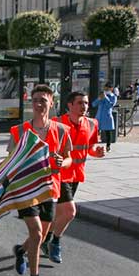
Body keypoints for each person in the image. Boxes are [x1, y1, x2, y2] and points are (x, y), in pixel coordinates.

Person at [8, 84, 72, 276]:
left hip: (50, 189)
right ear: (30, 102)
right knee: (36, 233)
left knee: (42, 235)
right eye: (35, 100)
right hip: (26, 190)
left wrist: (63, 163)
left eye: (43, 100)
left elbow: (69, 157)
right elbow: (10, 160)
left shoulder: (61, 130)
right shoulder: (19, 131)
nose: (38, 104)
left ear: (51, 103)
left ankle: (21, 251)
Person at [42, 91, 106, 263]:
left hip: (77, 175)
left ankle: (46, 239)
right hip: (59, 174)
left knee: (61, 214)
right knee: (70, 212)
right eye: (80, 103)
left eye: (85, 103)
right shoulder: (56, 123)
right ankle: (55, 242)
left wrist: (97, 152)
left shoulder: (92, 124)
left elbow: (91, 147)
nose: (84, 106)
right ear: (70, 105)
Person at [93, 82, 117, 152]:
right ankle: (93, 145)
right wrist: (99, 98)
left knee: (108, 132)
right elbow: (94, 104)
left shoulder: (113, 97)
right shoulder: (101, 95)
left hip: (107, 117)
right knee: (95, 132)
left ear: (111, 89)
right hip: (99, 116)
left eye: (108, 88)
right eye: (105, 88)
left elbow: (110, 105)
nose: (106, 89)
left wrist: (105, 98)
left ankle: (108, 146)